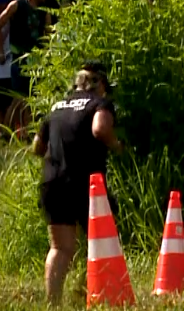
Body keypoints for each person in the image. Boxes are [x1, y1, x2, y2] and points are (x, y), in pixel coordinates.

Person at [33, 61, 122, 306]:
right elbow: (100, 128)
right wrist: (117, 146)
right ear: (101, 84)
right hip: (84, 183)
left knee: (60, 248)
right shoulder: (100, 104)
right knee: (103, 239)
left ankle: (54, 303)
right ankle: (88, 293)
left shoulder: (57, 107)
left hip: (53, 182)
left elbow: (36, 147)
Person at [0, 0, 52, 139]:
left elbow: (48, 36)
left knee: (32, 99)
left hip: (37, 61)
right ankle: (5, 132)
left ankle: (28, 133)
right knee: (18, 98)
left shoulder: (45, 13)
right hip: (19, 58)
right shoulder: (17, 5)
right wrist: (0, 50)